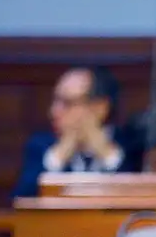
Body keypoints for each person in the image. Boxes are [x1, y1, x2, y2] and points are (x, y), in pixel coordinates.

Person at [13, 66, 131, 198]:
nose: (53, 111)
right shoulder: (40, 146)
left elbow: (138, 198)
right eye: (55, 101)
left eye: (67, 103)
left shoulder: (131, 145)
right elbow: (21, 201)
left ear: (100, 107)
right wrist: (58, 157)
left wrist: (106, 153)